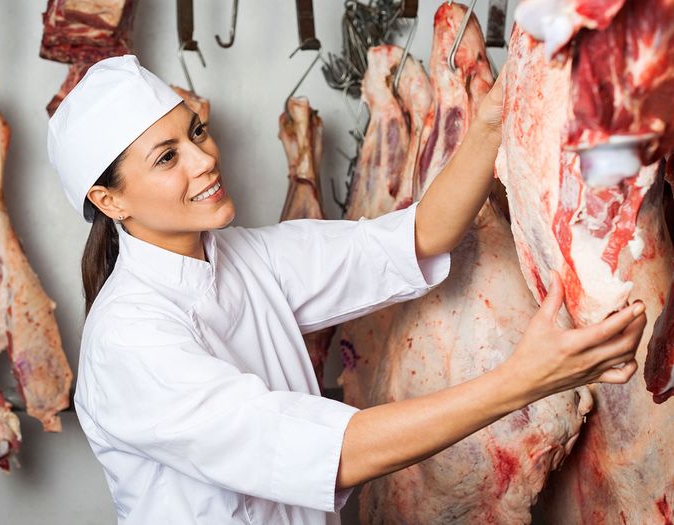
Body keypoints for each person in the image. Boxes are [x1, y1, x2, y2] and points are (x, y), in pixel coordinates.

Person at [47, 55, 646, 525]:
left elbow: (417, 238)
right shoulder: (128, 339)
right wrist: (524, 382)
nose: (203, 160)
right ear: (110, 200)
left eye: (196, 133)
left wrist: (492, 121)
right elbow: (333, 451)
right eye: (167, 157)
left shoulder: (248, 257)